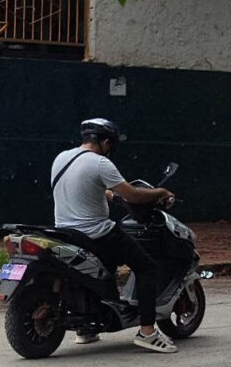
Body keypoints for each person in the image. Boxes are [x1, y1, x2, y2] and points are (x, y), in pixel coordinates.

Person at [51, 118, 177, 353]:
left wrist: (105, 194)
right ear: (106, 142)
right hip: (96, 233)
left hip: (67, 233)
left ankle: (87, 329)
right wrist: (160, 192)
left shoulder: (62, 158)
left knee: (104, 267)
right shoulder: (100, 163)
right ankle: (148, 332)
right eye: (111, 145)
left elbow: (80, 189)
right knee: (147, 267)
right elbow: (132, 195)